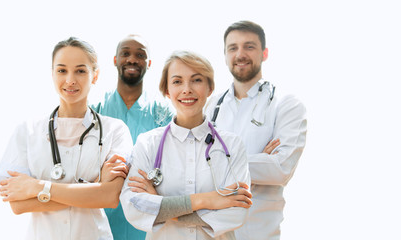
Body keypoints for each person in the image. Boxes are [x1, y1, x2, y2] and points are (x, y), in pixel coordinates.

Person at [0, 37, 133, 240]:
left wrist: (37, 187)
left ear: (95, 75)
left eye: (80, 70)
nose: (70, 80)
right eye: (62, 70)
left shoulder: (115, 130)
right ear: (52, 74)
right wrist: (92, 188)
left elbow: (110, 197)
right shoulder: (27, 131)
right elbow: (18, 205)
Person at [121, 50, 253, 239]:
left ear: (210, 88)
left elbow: (236, 212)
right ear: (167, 90)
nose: (187, 89)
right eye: (177, 81)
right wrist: (208, 200)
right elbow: (135, 207)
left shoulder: (232, 145)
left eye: (196, 80)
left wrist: (161, 204)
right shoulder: (147, 143)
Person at [204, 20, 307, 240]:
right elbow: (192, 166)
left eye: (249, 46)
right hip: (211, 232)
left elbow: (280, 169)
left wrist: (215, 161)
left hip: (258, 233)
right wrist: (258, 160)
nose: (240, 54)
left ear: (265, 53)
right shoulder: (211, 106)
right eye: (233, 48)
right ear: (225, 55)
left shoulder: (286, 105)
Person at [90, 34, 173, 239]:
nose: (132, 59)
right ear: (115, 59)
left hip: (146, 217)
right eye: (125, 53)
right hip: (102, 218)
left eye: (140, 55)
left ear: (149, 63)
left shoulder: (163, 114)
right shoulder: (95, 111)